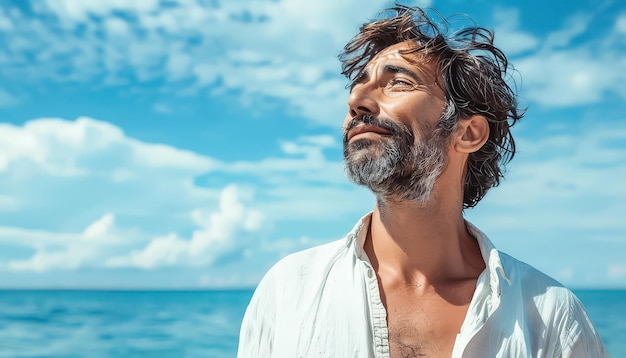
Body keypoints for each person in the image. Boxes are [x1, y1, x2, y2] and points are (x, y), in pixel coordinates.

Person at [238, 5, 610, 358]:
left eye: (397, 82)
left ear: (468, 134)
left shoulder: (551, 318)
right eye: (358, 85)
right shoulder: (288, 290)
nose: (356, 100)